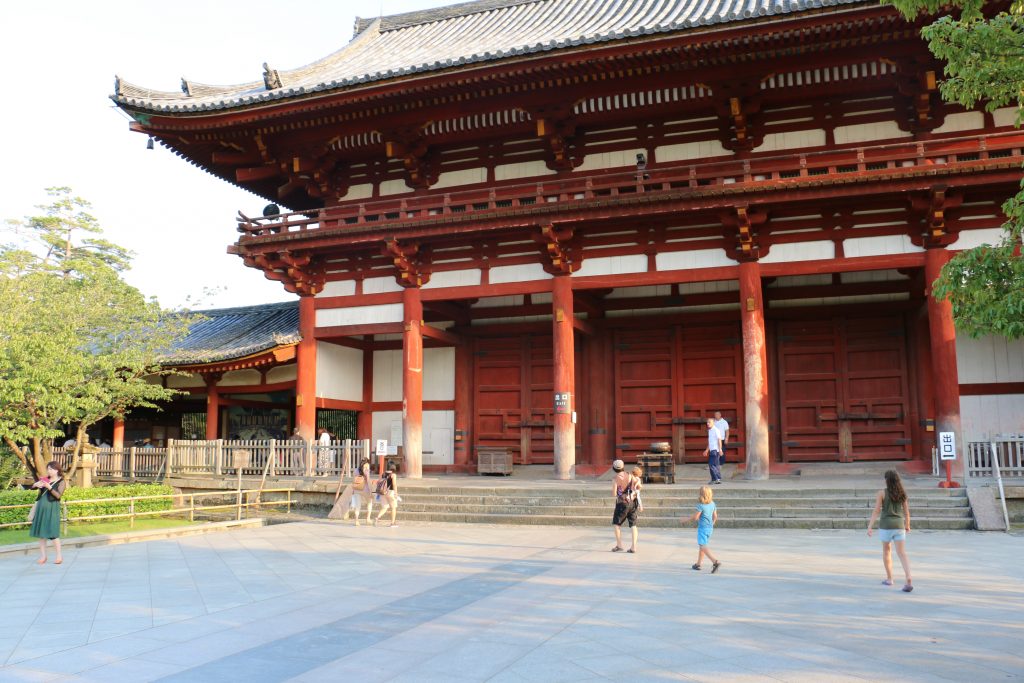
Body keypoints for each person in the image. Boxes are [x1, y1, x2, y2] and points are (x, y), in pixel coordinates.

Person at [867, 470, 913, 592]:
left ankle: (889, 578)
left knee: (887, 552)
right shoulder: (902, 493)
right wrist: (907, 525)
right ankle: (908, 577)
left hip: (886, 526)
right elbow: (906, 512)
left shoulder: (881, 493)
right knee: (902, 553)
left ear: (887, 480)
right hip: (899, 526)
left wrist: (870, 526)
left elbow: (876, 511)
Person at [30, 461, 66, 565]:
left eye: (51, 469)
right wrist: (35, 485)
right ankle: (43, 556)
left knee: (53, 532)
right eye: (48, 469)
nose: (49, 471)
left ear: (57, 470)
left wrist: (49, 487)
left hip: (52, 508)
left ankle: (59, 556)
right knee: (42, 534)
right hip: (41, 507)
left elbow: (58, 496)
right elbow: (36, 489)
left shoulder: (61, 481)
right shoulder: (45, 479)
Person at [688, 485, 721, 573]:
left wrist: (686, 519)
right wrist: (712, 524)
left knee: (702, 545)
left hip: (702, 529)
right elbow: (715, 516)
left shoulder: (700, 505)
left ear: (701, 495)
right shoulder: (713, 503)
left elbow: (695, 517)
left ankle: (715, 561)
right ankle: (698, 564)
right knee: (703, 545)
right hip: (710, 528)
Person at [610, 459, 639, 553]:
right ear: (623, 467)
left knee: (616, 524)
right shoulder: (630, 475)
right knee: (633, 525)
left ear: (614, 468)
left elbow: (614, 494)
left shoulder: (615, 478)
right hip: (632, 502)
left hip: (622, 503)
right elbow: (637, 486)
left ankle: (619, 545)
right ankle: (633, 547)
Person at [345, 457, 373, 525]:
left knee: (357, 505)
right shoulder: (366, 469)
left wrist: (353, 490)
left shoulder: (356, 470)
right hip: (365, 489)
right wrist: (371, 491)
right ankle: (368, 519)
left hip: (357, 489)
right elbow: (368, 481)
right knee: (370, 502)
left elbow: (354, 480)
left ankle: (356, 521)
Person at [703, 417, 723, 485]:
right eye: (707, 422)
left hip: (715, 450)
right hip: (712, 449)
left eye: (709, 422)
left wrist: (720, 449)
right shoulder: (710, 431)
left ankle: (715, 479)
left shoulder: (716, 430)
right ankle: (717, 479)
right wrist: (706, 450)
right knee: (715, 465)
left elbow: (719, 440)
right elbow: (710, 442)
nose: (708, 423)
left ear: (713, 423)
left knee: (711, 464)